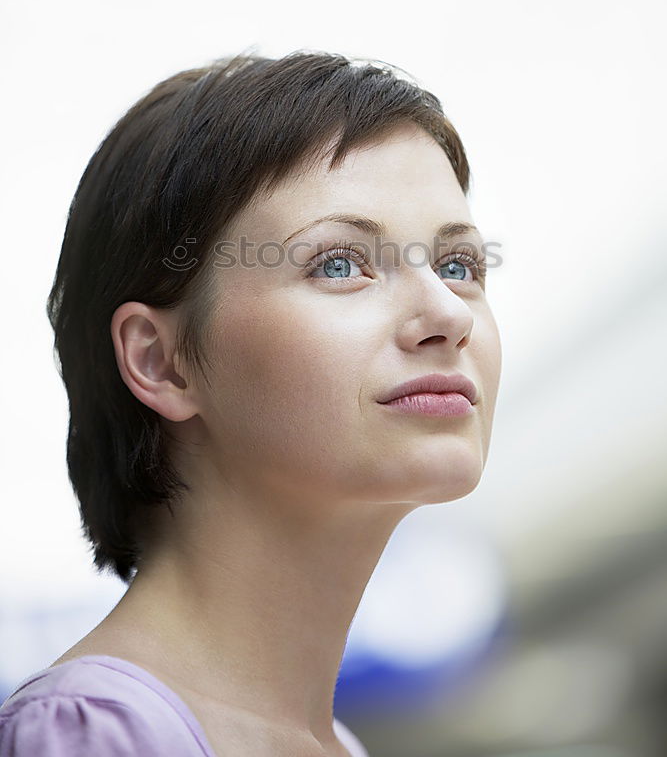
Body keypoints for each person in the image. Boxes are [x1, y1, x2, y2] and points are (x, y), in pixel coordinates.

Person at [0, 50, 502, 756]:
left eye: (458, 266)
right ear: (160, 361)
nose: (448, 314)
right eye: (338, 264)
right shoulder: (99, 736)